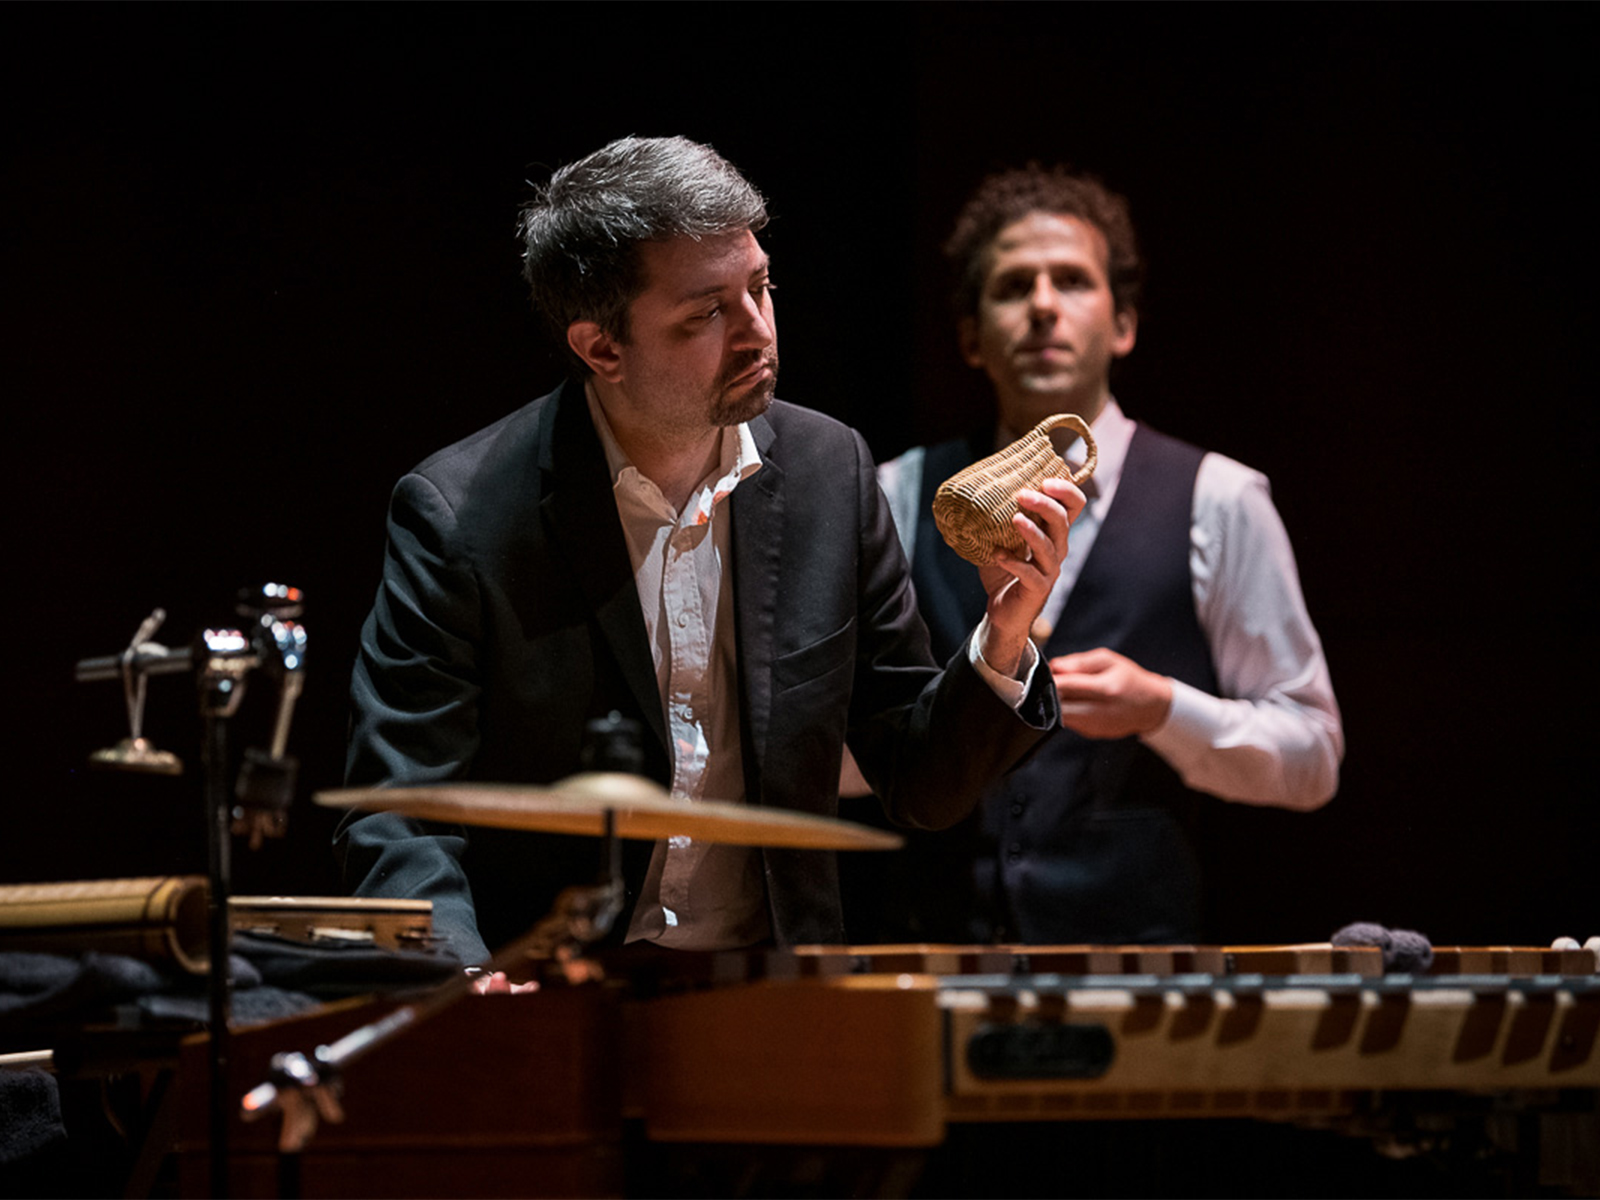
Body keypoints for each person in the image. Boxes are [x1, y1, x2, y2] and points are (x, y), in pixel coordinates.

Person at [336, 137, 1084, 968]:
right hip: (547, 985)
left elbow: (921, 784)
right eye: (706, 314)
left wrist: (1003, 636)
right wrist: (464, 980)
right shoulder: (461, 514)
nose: (757, 331)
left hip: (768, 987)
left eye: (760, 288)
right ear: (602, 349)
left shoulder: (830, 473)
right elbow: (397, 807)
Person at [842, 165, 1343, 944]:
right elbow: (836, 756)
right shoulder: (896, 490)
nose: (1043, 305)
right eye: (1014, 286)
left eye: (1072, 281)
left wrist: (1165, 709)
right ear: (971, 336)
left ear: (1124, 324)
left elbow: (1312, 760)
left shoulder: (1219, 497)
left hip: (1136, 969)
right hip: (932, 958)